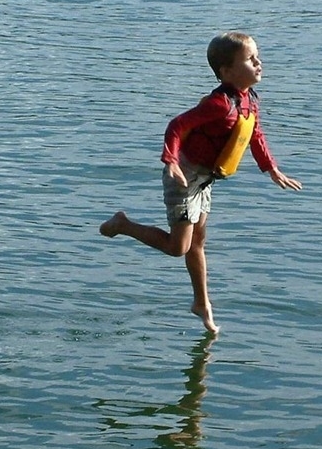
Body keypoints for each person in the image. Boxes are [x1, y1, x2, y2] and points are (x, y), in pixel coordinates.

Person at [100, 31, 302, 334]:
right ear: (227, 72)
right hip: (185, 175)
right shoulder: (219, 104)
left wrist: (271, 169)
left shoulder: (248, 100)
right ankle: (123, 224)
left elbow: (254, 135)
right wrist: (169, 159)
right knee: (178, 247)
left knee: (198, 242)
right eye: (250, 59)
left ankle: (201, 303)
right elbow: (177, 125)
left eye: (257, 56)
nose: (259, 63)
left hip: (206, 178)